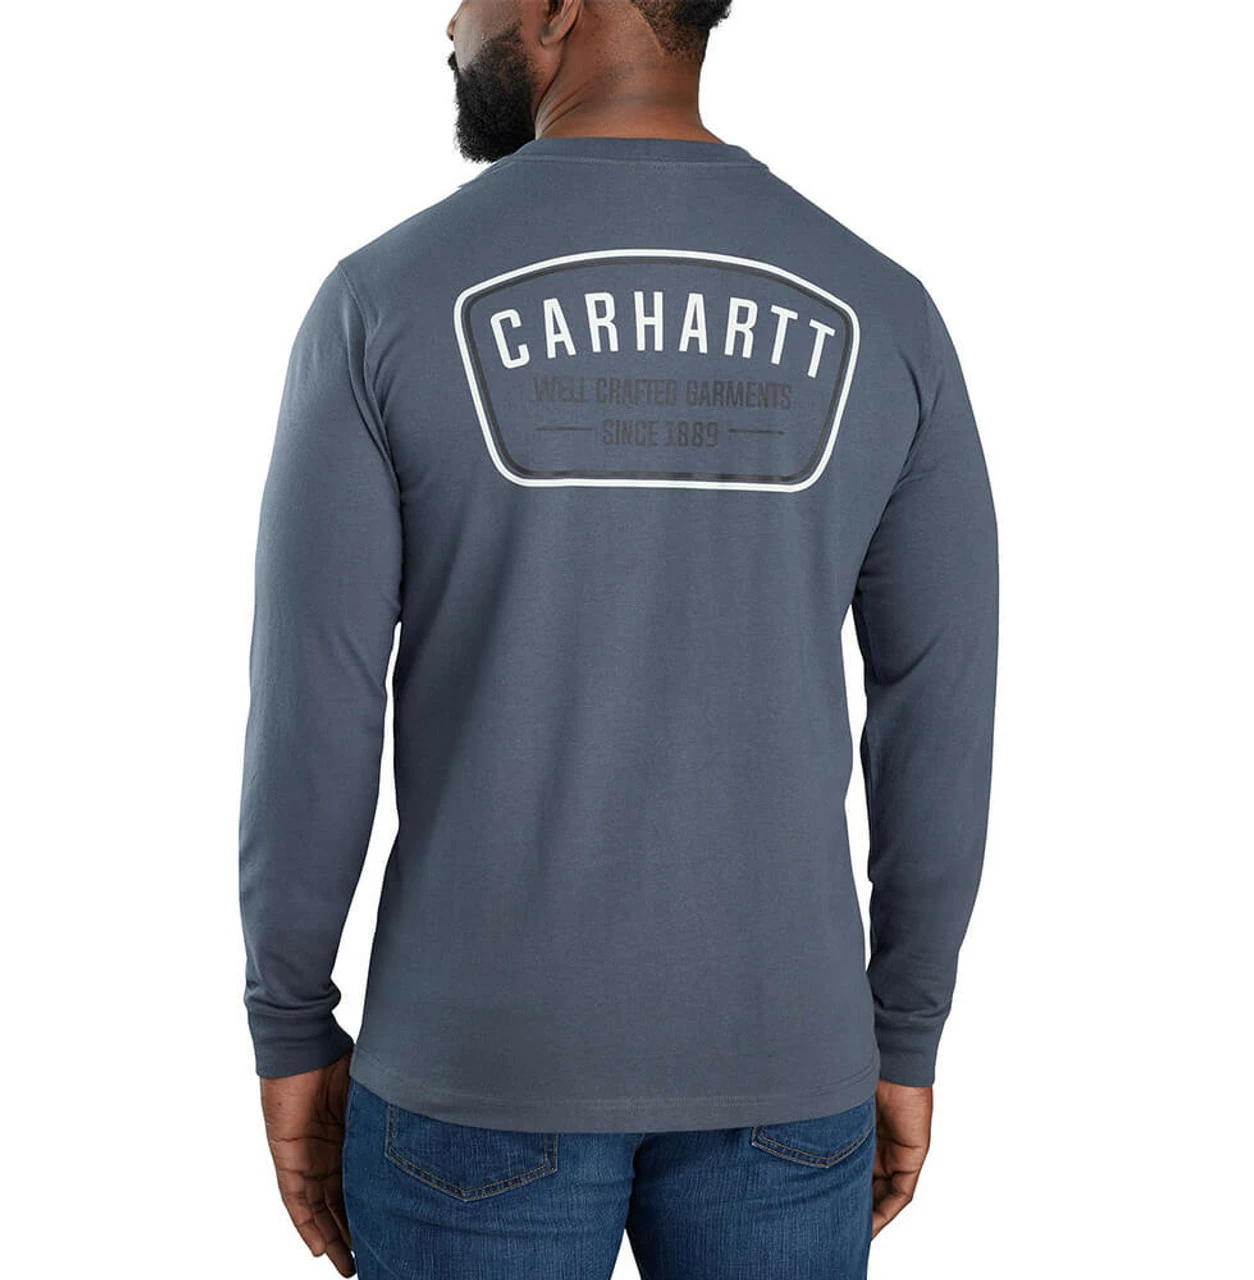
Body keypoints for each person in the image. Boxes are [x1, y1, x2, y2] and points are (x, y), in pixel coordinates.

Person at [237, 1, 999, 1276]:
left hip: (474, 1071)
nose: (450, 19)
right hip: (786, 1068)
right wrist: (905, 1027)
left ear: (555, 8)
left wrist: (289, 1023)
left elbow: (314, 709)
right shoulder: (884, 314)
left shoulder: (382, 303)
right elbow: (941, 706)